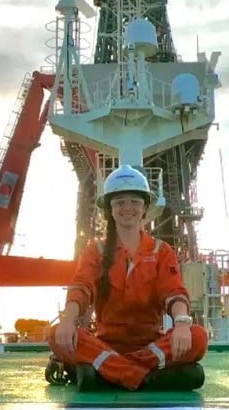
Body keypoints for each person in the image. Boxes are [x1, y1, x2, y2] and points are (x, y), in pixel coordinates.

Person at [45, 165, 208, 391]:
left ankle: (110, 373)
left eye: (134, 201)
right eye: (119, 201)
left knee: (198, 337)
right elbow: (82, 287)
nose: (127, 207)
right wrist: (67, 320)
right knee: (55, 334)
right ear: (110, 209)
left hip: (148, 344)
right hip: (105, 342)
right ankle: (143, 378)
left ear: (144, 207)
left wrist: (181, 324)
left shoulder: (161, 250)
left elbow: (174, 292)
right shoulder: (96, 251)